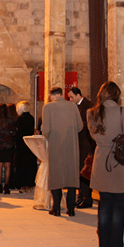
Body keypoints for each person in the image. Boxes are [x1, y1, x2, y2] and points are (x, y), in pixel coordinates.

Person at [87, 81, 124, 247]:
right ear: (117, 95)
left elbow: (94, 136)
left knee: (104, 207)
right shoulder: (122, 112)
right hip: (120, 163)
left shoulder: (92, 113)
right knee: (118, 209)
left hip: (102, 161)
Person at [42, 86, 83, 216]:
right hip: (71, 145)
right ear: (61, 94)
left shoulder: (48, 107)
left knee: (56, 176)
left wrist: (50, 136)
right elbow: (80, 126)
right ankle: (71, 208)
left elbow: (45, 130)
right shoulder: (73, 106)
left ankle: (56, 208)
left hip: (56, 145)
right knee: (71, 177)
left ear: (52, 95)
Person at [68, 87, 96, 208]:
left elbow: (90, 125)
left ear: (78, 95)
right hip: (78, 143)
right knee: (79, 171)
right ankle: (80, 196)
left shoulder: (89, 106)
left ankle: (87, 199)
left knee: (85, 171)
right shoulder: (76, 106)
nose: (70, 100)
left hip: (86, 143)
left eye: (71, 97)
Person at [13, 101, 37, 192]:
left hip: (21, 145)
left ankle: (22, 185)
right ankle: (30, 185)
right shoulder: (31, 118)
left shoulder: (20, 119)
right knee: (29, 166)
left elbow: (18, 133)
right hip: (30, 144)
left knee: (22, 166)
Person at [0, 103, 16, 195]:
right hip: (8, 144)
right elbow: (13, 132)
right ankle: (6, 186)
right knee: (7, 166)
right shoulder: (10, 119)